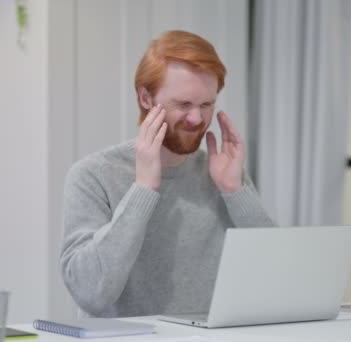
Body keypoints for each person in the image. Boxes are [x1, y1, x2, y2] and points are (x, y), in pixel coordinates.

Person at [60, 30, 274, 318]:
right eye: (183, 104)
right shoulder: (93, 176)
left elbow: (275, 273)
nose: (197, 119)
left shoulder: (223, 174)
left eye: (206, 105)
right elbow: (91, 294)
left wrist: (235, 191)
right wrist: (143, 190)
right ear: (146, 98)